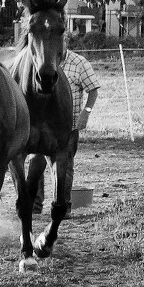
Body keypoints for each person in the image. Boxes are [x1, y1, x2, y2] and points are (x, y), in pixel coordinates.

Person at [30, 48, 100, 213]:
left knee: (65, 167)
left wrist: (86, 113)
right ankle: (35, 205)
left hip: (68, 127)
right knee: (35, 165)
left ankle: (62, 205)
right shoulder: (41, 61)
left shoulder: (79, 63)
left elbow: (93, 90)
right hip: (41, 126)